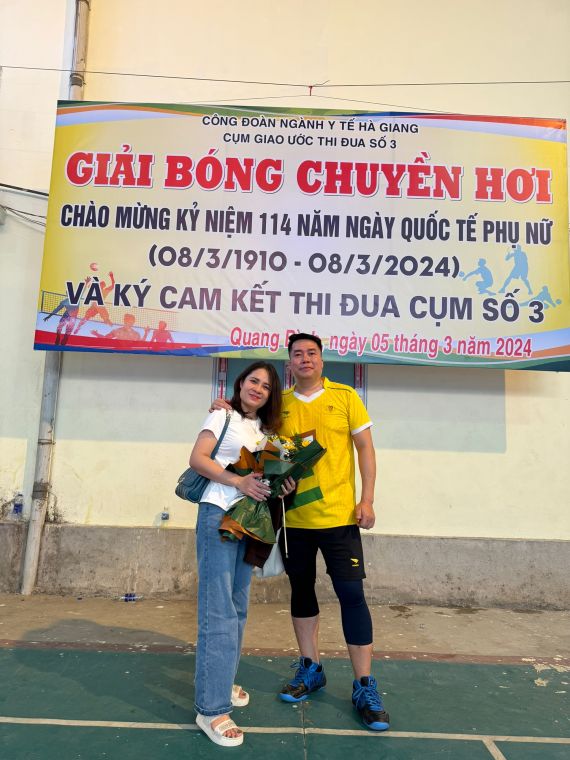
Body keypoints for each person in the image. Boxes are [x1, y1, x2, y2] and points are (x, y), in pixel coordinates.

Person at [211, 333, 390, 732]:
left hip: (340, 518)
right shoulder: (281, 404)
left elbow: (365, 448)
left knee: (352, 596)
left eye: (311, 353)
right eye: (297, 354)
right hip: (294, 522)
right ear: (289, 363)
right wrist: (224, 408)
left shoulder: (345, 397)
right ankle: (311, 668)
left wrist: (367, 499)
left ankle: (364, 685)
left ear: (322, 360)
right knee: (302, 593)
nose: (305, 359)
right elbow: (249, 424)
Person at [190, 361, 295, 747]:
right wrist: (238, 481)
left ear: (270, 396)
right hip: (218, 515)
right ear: (240, 382)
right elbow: (198, 458)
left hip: (250, 522)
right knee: (217, 610)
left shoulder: (267, 432)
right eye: (254, 380)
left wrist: (281, 485)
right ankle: (211, 709)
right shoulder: (222, 415)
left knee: (237, 607)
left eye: (266, 386)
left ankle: (221, 681)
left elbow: (263, 479)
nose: (258, 388)